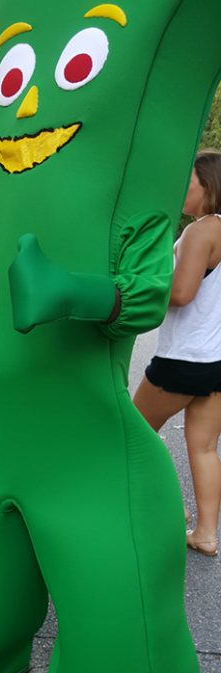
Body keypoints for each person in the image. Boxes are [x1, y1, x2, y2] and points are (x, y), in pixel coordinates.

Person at [133, 150, 221, 558]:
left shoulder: (203, 230)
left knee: (132, 434)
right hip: (216, 361)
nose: (181, 188)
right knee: (204, 448)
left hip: (183, 360)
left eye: (188, 180)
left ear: (209, 185)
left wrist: (139, 290)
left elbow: (182, 294)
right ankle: (205, 532)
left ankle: (170, 509)